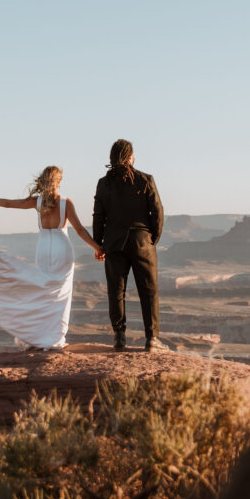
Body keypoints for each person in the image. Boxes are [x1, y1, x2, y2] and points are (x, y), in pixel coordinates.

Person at [0, 166, 103, 350]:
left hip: (44, 248)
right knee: (60, 293)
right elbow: (80, 230)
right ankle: (54, 337)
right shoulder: (66, 203)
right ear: (59, 182)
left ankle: (39, 336)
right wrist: (97, 248)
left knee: (43, 289)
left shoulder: (37, 202)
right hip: (62, 248)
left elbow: (8, 203)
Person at [93, 139, 165, 352]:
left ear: (112, 159)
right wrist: (152, 238)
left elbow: (99, 217)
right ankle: (152, 339)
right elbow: (158, 212)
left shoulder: (104, 183)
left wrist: (99, 245)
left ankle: (119, 338)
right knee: (149, 290)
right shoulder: (146, 180)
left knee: (116, 291)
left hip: (114, 243)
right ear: (131, 157)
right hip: (143, 242)